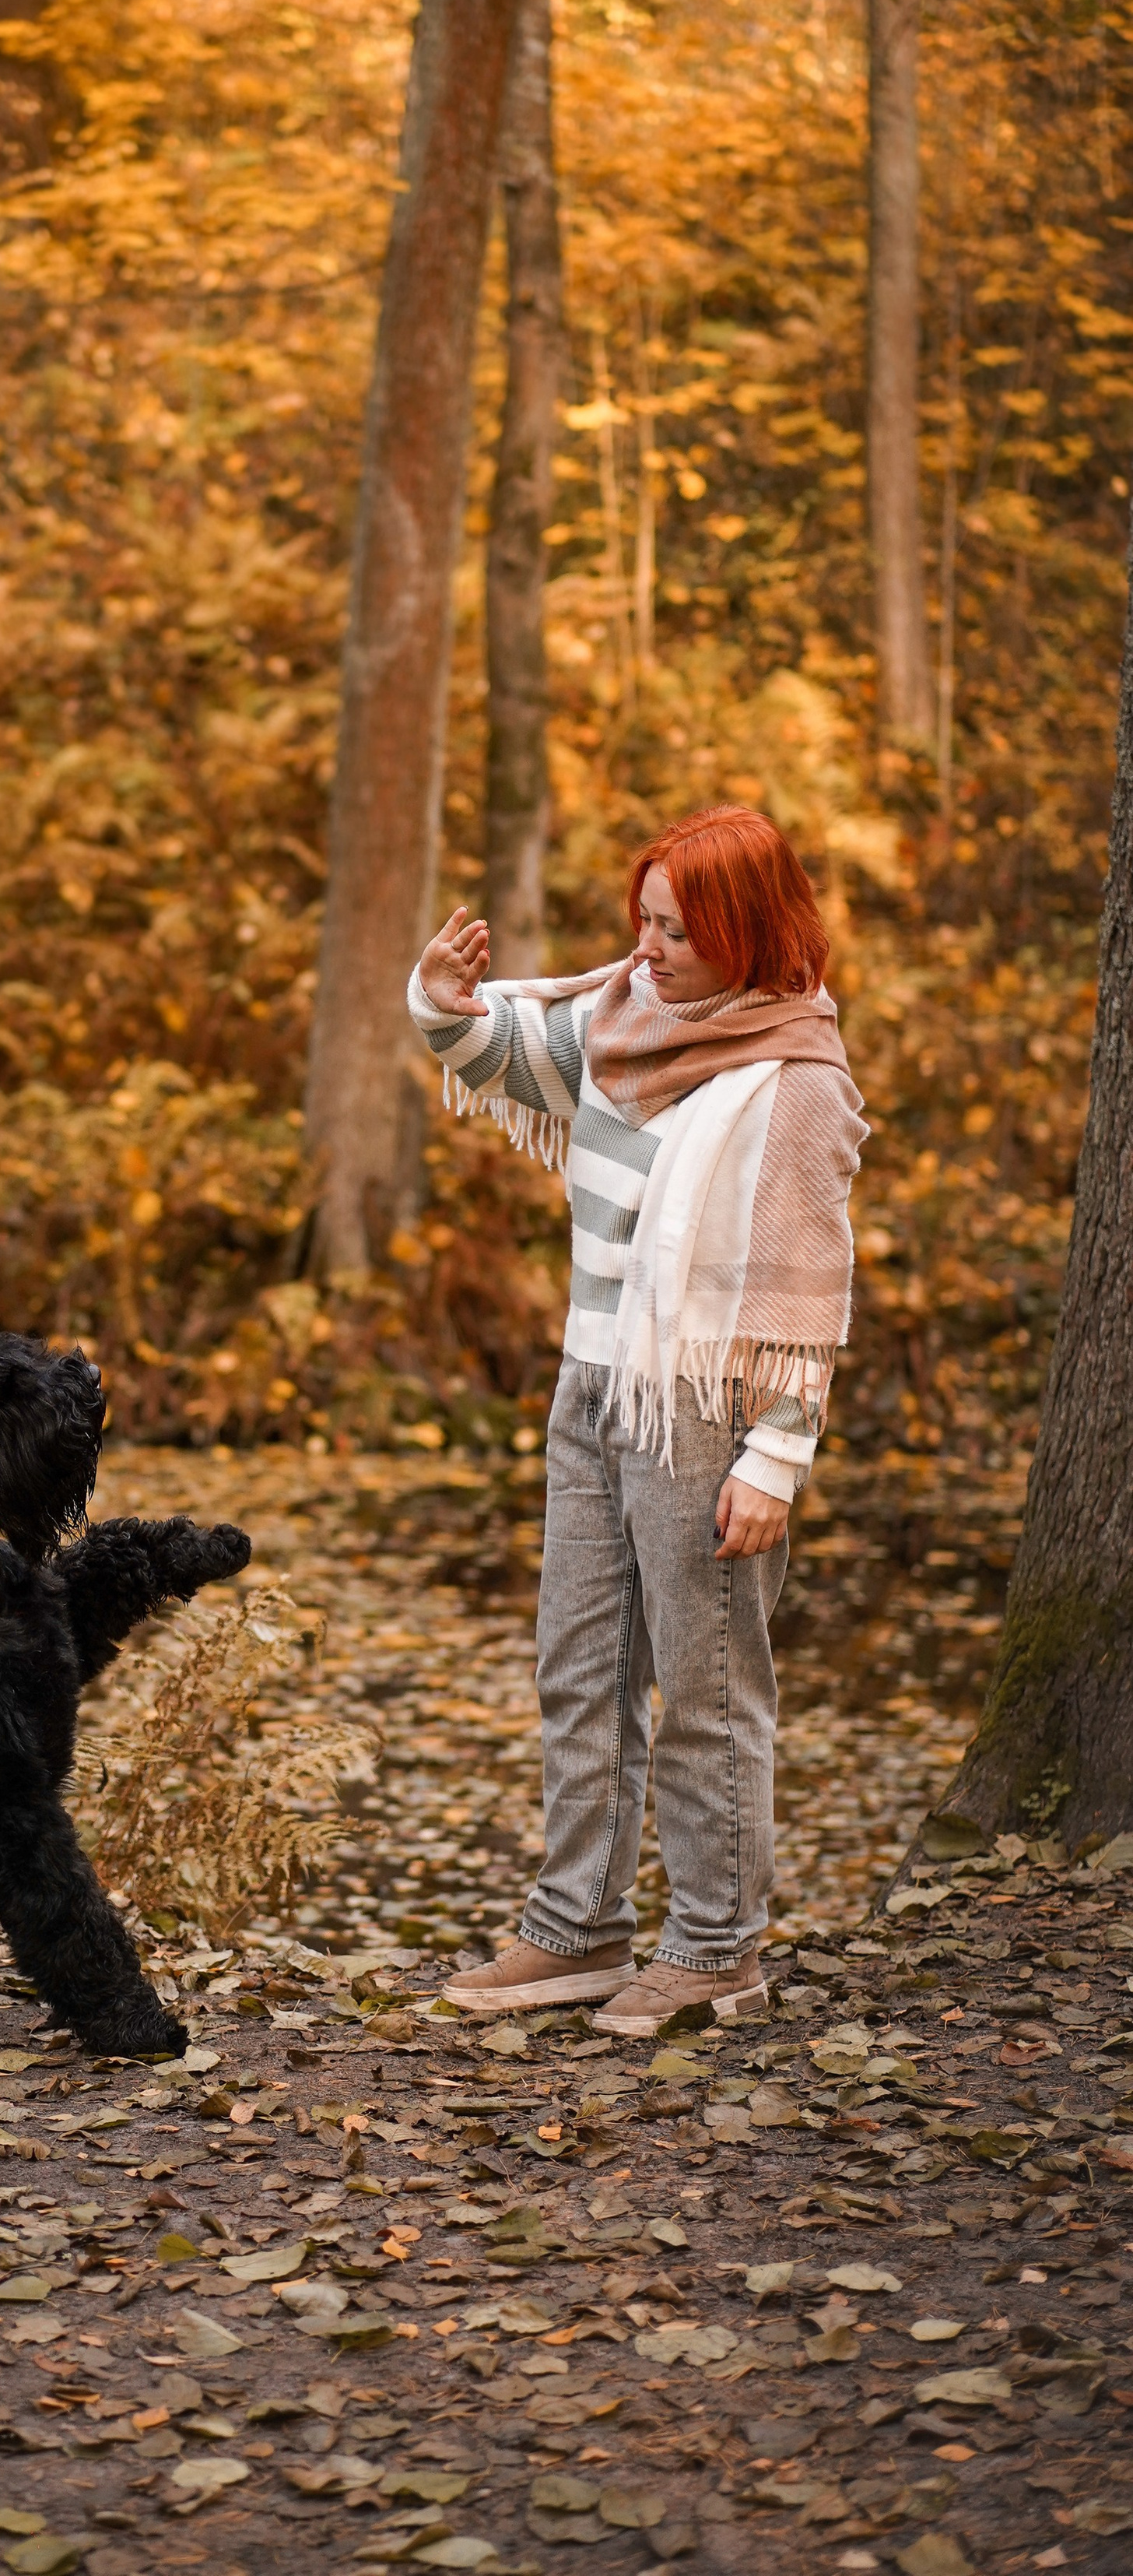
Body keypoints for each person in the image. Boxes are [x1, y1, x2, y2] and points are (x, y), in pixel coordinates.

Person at [409, 806, 867, 2036]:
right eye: (645, 919)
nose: (647, 948)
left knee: (706, 1688)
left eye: (676, 930)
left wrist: (777, 1456)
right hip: (592, 1386)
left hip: (706, 1412)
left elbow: (808, 1287)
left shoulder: (797, 1082)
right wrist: (442, 999)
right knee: (580, 1666)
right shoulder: (623, 1015)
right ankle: (578, 1930)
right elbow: (502, 1050)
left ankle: (716, 1946)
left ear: (744, 931)